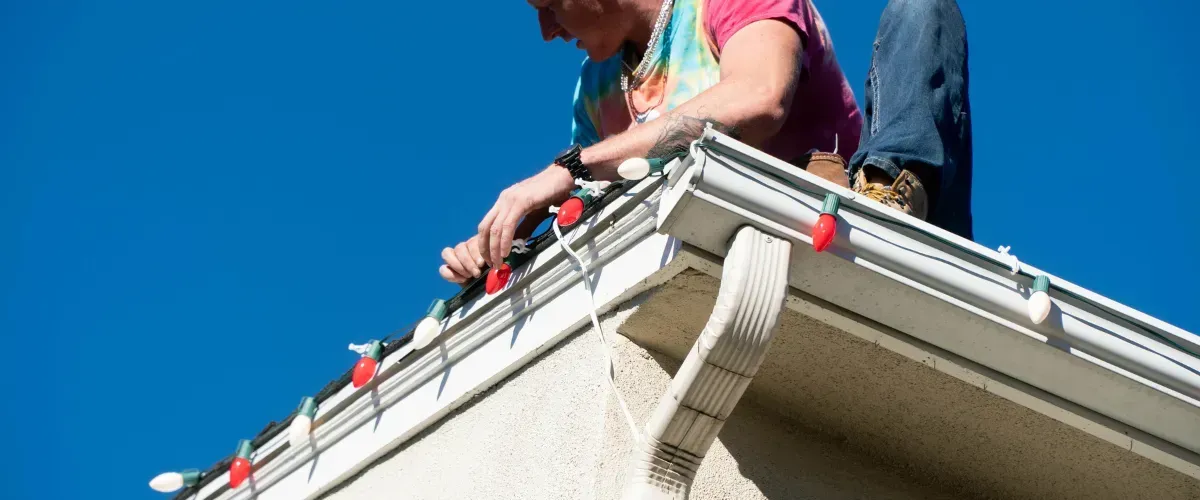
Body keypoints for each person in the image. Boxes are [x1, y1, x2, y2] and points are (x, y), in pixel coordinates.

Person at [439, 0, 972, 284]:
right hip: (727, 256)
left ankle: (889, 194)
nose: (545, 31)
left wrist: (573, 168)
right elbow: (590, 203)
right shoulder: (596, 88)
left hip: (839, 215)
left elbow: (760, 98)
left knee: (921, 8)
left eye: (547, 4)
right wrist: (505, 246)